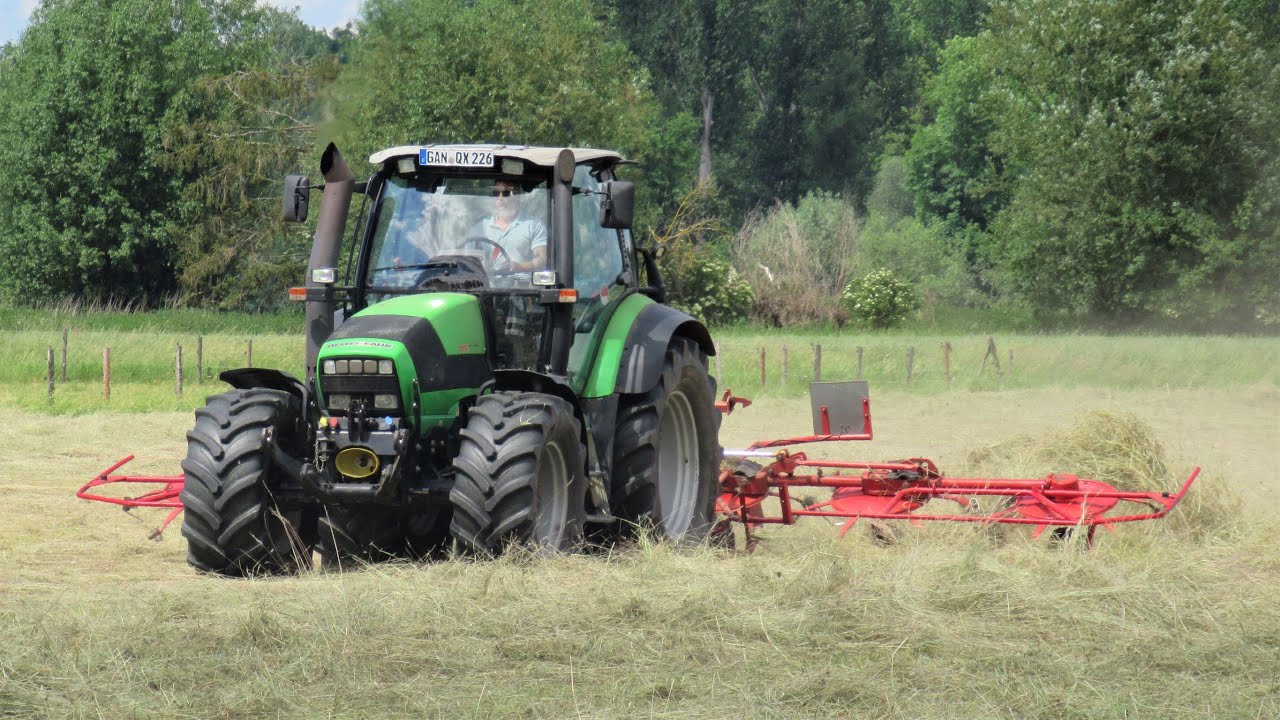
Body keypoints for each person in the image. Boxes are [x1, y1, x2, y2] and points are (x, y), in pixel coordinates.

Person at [469, 179, 547, 274]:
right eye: (496, 193)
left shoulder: (533, 225)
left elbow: (542, 259)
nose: (500, 198)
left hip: (522, 282)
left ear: (517, 196)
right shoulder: (480, 227)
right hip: (486, 282)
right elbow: (466, 259)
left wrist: (519, 267)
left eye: (505, 193)